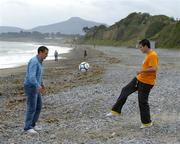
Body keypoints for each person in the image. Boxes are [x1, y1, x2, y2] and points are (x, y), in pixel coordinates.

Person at [106, 39, 158, 129]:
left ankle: (147, 123)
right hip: (139, 79)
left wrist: (141, 70)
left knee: (142, 102)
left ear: (146, 46)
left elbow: (154, 69)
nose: (140, 49)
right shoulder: (148, 55)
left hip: (146, 82)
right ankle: (115, 111)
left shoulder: (153, 55)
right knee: (125, 90)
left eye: (141, 47)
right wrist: (141, 72)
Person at [24, 46, 48, 134]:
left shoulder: (40, 62)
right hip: (31, 87)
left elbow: (39, 75)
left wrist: (42, 84)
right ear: (40, 52)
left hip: (36, 86)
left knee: (38, 106)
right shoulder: (34, 61)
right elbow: (31, 77)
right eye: (45, 53)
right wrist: (38, 86)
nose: (46, 55)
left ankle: (33, 125)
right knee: (32, 107)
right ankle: (27, 127)